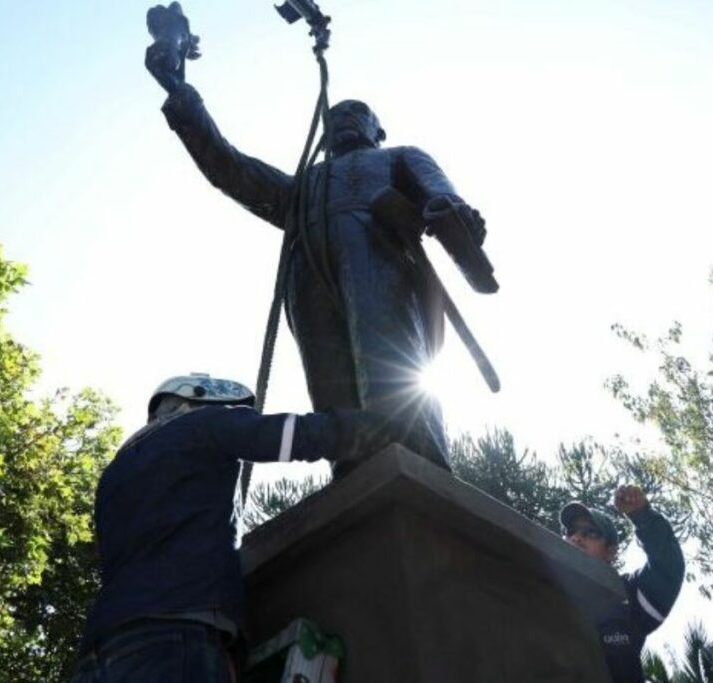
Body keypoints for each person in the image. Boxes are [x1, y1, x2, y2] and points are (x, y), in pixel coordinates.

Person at [143, 4, 496, 474]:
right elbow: (229, 168)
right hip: (306, 272)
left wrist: (452, 214)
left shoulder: (398, 155)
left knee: (392, 377)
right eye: (338, 115)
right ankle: (351, 482)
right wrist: (181, 94)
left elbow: (443, 197)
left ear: (378, 130)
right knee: (334, 399)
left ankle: (427, 480)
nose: (345, 117)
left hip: (380, 257)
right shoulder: (303, 185)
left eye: (358, 113)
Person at [71, 373, 399, 683]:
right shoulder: (199, 423)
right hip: (175, 637)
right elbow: (288, 435)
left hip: (99, 651)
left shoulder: (113, 477)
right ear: (195, 400)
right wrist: (373, 428)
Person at [560, 486, 685, 683]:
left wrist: (643, 515)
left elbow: (667, 568)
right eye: (571, 531)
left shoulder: (627, 595)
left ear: (610, 552)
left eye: (590, 533)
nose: (577, 538)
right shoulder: (536, 583)